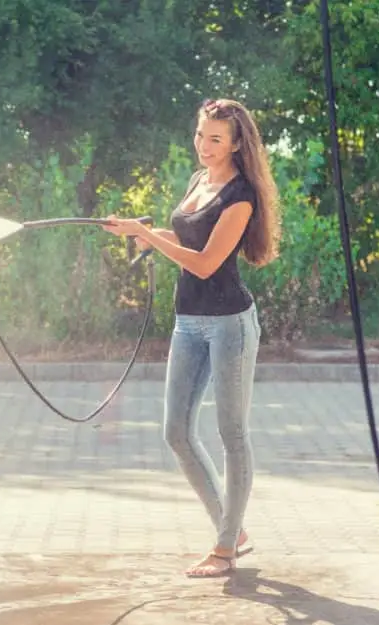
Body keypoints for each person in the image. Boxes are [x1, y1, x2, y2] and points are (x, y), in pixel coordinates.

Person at [104, 97, 281, 578]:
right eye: (201, 135)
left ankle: (225, 549)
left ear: (237, 143)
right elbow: (186, 240)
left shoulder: (240, 196)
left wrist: (153, 239)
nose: (204, 146)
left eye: (216, 139)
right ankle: (234, 528)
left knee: (232, 434)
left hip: (230, 324)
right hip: (188, 322)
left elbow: (205, 263)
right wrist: (143, 231)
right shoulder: (199, 181)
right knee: (176, 432)